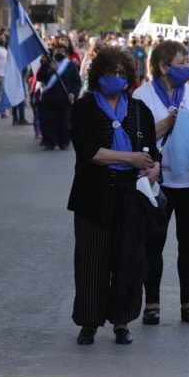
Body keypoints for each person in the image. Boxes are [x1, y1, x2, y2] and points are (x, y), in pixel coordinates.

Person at [67, 46, 160, 345]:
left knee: (129, 260)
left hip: (131, 199)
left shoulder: (139, 110)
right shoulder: (83, 108)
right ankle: (89, 323)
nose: (116, 78)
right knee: (91, 262)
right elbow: (89, 152)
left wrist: (153, 169)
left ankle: (122, 321)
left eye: (121, 73)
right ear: (98, 76)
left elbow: (153, 153)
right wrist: (132, 158)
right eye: (110, 73)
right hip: (93, 197)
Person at [133, 40, 189, 326]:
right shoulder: (142, 96)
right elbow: (136, 137)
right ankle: (151, 302)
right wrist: (168, 122)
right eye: (181, 63)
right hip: (157, 181)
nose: (187, 68)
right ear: (164, 66)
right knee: (153, 243)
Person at [36, 41, 82, 150]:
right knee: (49, 121)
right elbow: (39, 77)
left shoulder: (71, 65)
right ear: (53, 52)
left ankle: (63, 142)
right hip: (49, 98)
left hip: (65, 98)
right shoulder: (47, 63)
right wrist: (49, 70)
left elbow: (77, 82)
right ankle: (50, 142)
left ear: (66, 53)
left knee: (65, 121)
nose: (59, 52)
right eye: (57, 50)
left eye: (62, 51)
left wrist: (73, 93)